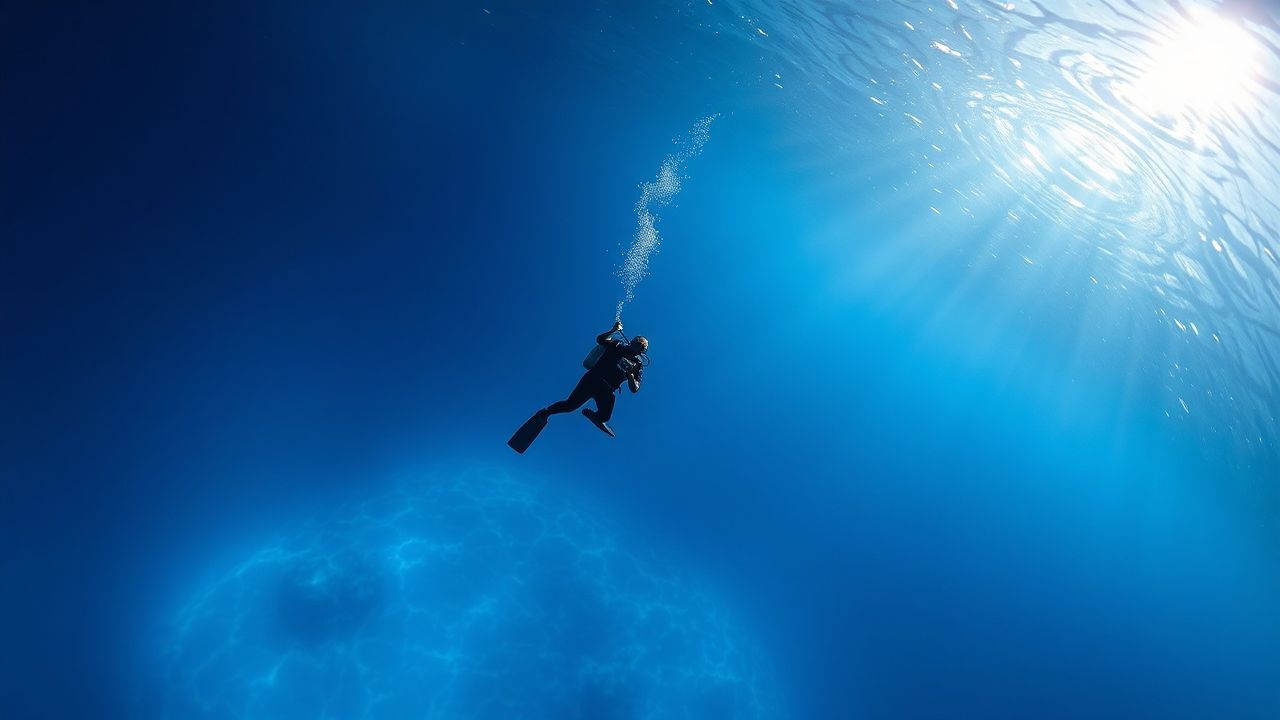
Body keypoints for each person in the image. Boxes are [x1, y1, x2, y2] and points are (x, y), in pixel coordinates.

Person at [538, 321, 647, 437]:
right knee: (569, 406)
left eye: (643, 347)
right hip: (592, 380)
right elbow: (600, 340)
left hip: (607, 390)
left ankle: (596, 418)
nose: (639, 347)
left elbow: (635, 388)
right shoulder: (617, 345)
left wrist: (630, 376)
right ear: (632, 342)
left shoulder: (638, 365)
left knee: (605, 416)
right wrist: (613, 330)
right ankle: (545, 413)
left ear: (643, 351)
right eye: (638, 343)